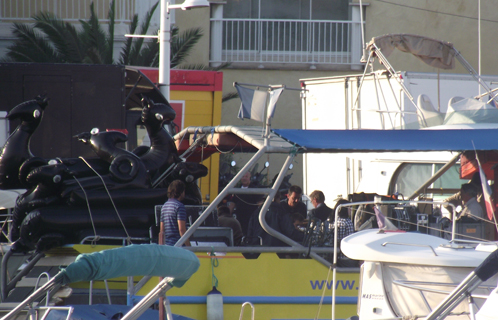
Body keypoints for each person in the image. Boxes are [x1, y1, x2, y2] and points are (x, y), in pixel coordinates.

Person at [228, 171, 261, 236]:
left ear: (250, 178)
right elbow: (232, 204)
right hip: (240, 218)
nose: (244, 178)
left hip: (251, 218)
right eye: (243, 176)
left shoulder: (255, 190)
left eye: (246, 176)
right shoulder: (237, 190)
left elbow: (259, 203)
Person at [161, 180, 191, 246]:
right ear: (181, 192)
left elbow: (162, 231)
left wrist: (161, 247)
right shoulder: (180, 207)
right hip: (178, 246)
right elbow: (182, 230)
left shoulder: (164, 206)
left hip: (167, 246)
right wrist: (189, 247)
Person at [332, 199, 356, 267]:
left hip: (335, 256)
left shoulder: (333, 220)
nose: (351, 210)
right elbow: (351, 241)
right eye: (349, 208)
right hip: (346, 257)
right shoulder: (347, 222)